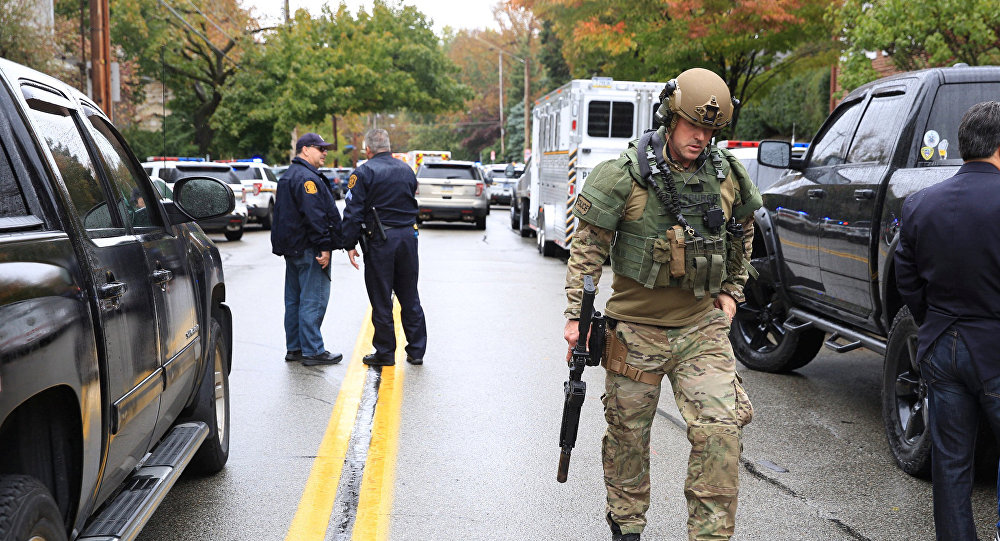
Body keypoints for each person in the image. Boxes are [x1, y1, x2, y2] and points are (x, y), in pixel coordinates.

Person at [561, 68, 760, 541]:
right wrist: (577, 319)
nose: (700, 136)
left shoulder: (727, 175)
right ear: (670, 118)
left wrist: (731, 295)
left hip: (700, 329)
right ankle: (627, 525)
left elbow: (743, 236)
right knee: (628, 437)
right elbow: (586, 251)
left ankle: (710, 534)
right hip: (634, 332)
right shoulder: (622, 176)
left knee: (720, 431)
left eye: (710, 128)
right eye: (692, 124)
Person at [895, 100, 1000, 541]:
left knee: (951, 463)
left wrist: (932, 319)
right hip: (994, 345)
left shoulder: (921, 203)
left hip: (941, 342)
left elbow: (905, 273)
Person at [343, 129, 427, 367]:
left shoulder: (364, 172)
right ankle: (417, 350)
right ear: (388, 147)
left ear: (368, 149)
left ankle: (385, 352)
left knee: (382, 299)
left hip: (381, 240)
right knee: (409, 295)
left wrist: (348, 243)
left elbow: (353, 211)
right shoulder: (406, 170)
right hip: (408, 238)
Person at [271, 132, 345, 366]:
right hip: (309, 248)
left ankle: (295, 347)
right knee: (313, 299)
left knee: (294, 300)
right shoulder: (307, 179)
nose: (325, 153)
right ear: (305, 150)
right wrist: (325, 246)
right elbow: (315, 217)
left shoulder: (288, 176)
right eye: (320, 148)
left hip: (292, 249)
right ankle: (313, 350)